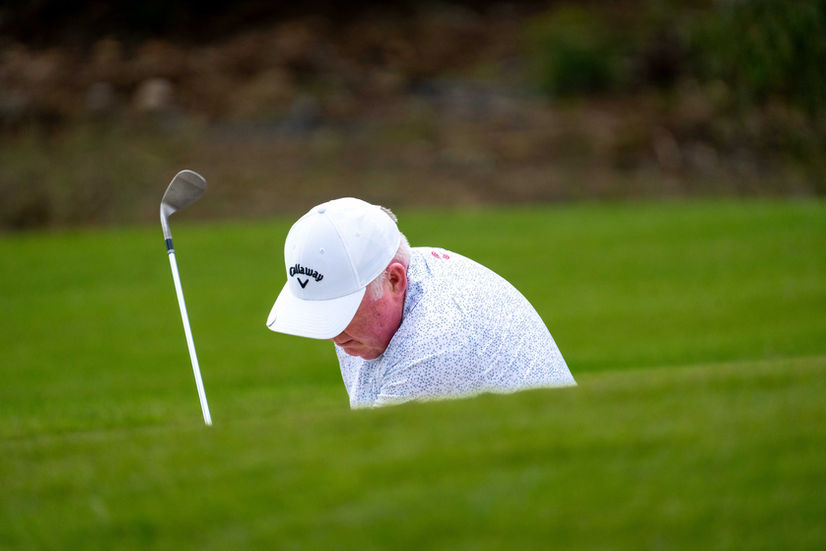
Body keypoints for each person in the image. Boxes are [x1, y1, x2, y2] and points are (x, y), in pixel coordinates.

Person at [266, 197, 575, 408]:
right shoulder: (391, 283)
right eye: (322, 312)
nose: (333, 334)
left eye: (341, 309)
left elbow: (373, 468)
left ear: (395, 280)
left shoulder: (436, 346)